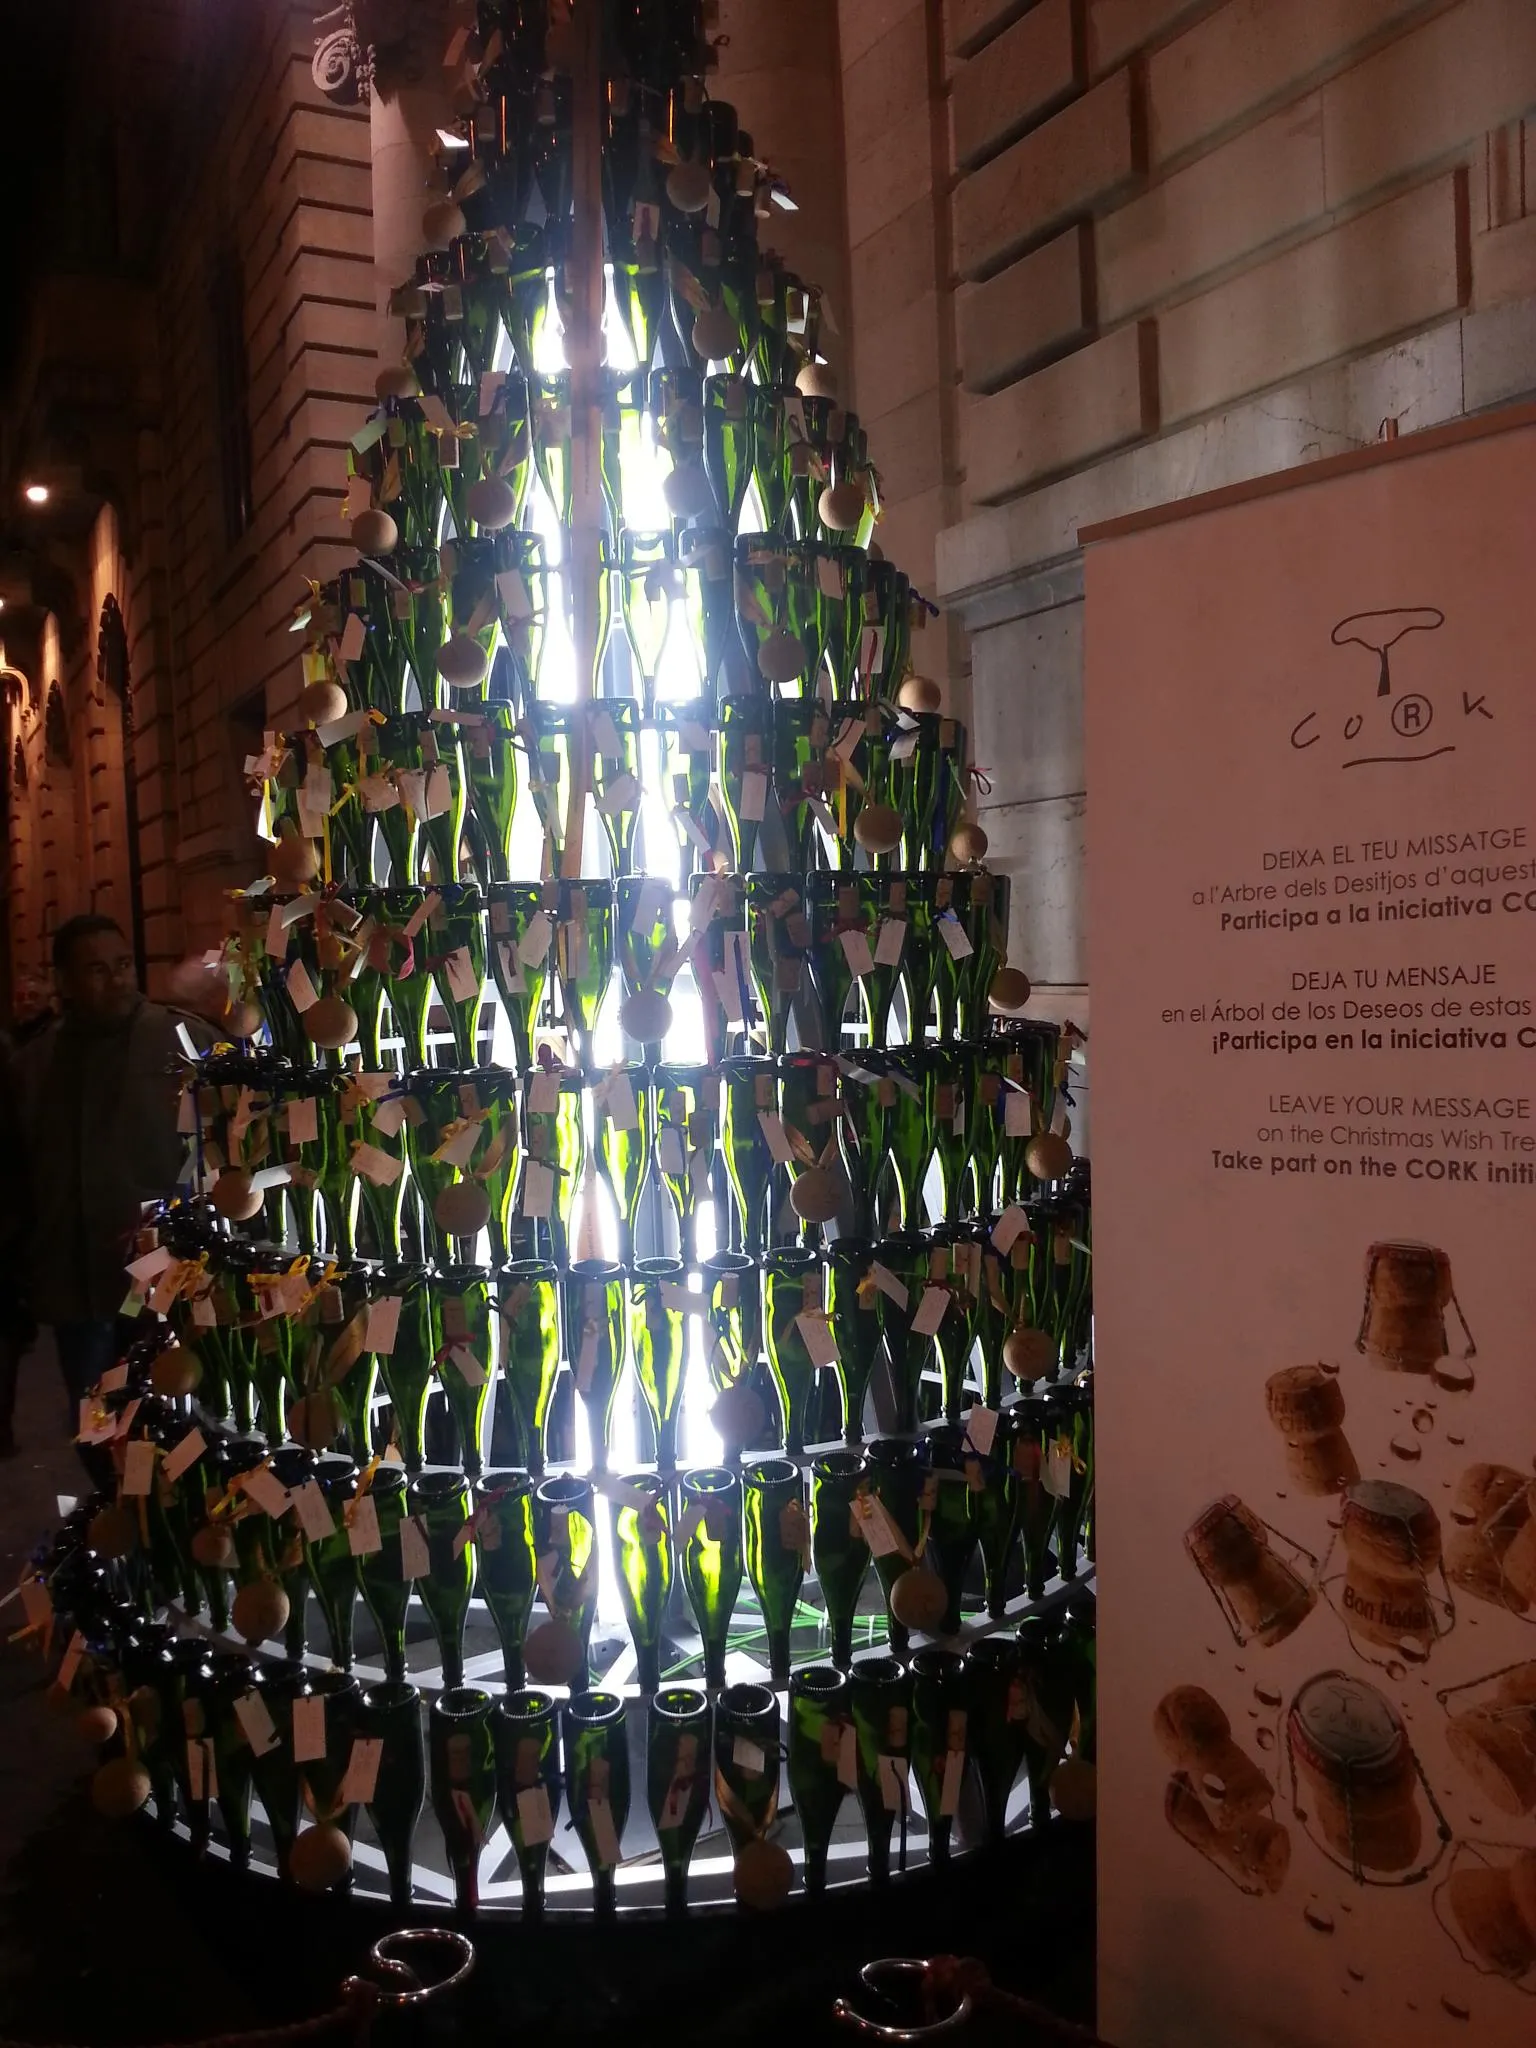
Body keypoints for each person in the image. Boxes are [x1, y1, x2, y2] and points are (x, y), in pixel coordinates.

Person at [5, 916, 189, 1461]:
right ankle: (113, 1522)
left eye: (123, 965)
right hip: (75, 1283)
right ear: (62, 980)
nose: (115, 980)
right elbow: (18, 1174)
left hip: (158, 1279)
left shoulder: (176, 1039)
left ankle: (161, 1530)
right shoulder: (33, 1064)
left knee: (169, 1416)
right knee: (95, 1425)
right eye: (96, 970)